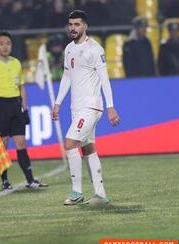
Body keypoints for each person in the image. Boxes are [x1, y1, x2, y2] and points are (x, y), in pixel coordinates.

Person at [51, 10, 120, 205]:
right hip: (76, 108)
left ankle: (76, 192)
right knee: (88, 148)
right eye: (71, 24)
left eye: (77, 24)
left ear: (85, 26)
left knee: (70, 144)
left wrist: (111, 107)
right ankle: (100, 195)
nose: (73, 28)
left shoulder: (95, 49)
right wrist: (58, 102)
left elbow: (104, 79)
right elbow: (67, 77)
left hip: (91, 107)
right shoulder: (69, 49)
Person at [0, 31, 48, 190]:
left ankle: (30, 180)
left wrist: (24, 109)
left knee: (21, 143)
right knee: (3, 145)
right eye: (2, 43)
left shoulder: (16, 63)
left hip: (15, 106)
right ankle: (5, 180)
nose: (5, 46)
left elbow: (22, 88)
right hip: (0, 106)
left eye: (8, 43)